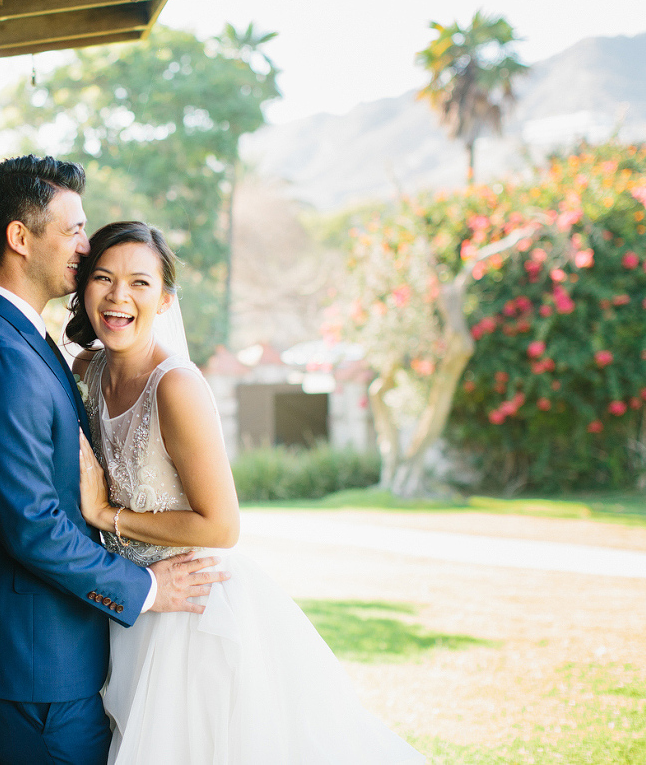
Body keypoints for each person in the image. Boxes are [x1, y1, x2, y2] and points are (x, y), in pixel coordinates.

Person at [67, 221, 426, 765]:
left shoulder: (177, 386)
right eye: (103, 278)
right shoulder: (87, 371)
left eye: (140, 283)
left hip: (193, 611)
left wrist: (106, 515)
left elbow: (222, 526)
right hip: (133, 604)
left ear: (164, 300)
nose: (119, 296)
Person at [0, 157, 228, 765]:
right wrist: (144, 587)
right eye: (72, 230)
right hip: (29, 668)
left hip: (57, 654)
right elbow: (32, 526)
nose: (85, 247)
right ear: (20, 238)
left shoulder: (31, 341)